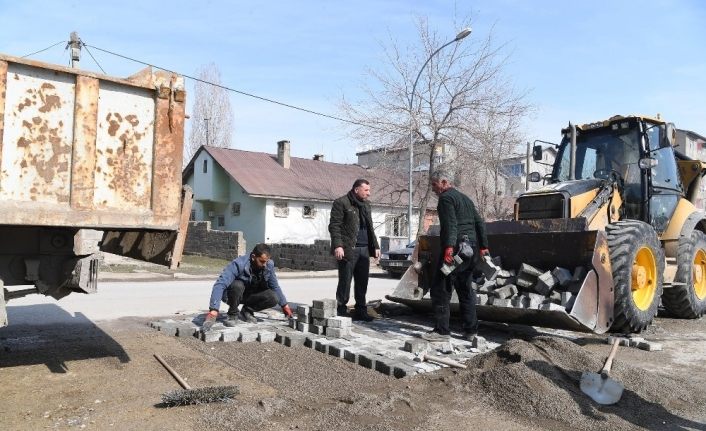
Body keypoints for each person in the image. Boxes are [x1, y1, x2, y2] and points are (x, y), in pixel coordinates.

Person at [422, 169, 489, 342]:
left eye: (434, 185)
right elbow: (479, 222)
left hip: (456, 250)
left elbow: (450, 224)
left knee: (440, 288)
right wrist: (483, 246)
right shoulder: (465, 199)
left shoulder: (446, 198)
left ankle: (442, 331)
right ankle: (471, 331)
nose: (433, 189)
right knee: (465, 289)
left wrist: (449, 248)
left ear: (444, 183)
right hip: (470, 251)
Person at [202, 243, 293, 331]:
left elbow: (275, 287)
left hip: (250, 295)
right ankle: (232, 314)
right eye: (261, 261)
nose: (265, 264)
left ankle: (246, 311)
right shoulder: (239, 264)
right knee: (238, 285)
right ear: (253, 257)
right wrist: (214, 310)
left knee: (273, 297)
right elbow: (220, 284)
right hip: (232, 294)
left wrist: (285, 306)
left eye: (267, 261)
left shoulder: (268, 265)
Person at [328, 178, 381, 321]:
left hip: (364, 249)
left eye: (369, 190)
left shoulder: (366, 205)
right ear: (356, 190)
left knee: (362, 282)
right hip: (348, 249)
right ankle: (341, 309)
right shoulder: (341, 202)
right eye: (366, 190)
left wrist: (375, 246)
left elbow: (370, 227)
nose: (369, 193)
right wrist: (338, 245)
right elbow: (334, 226)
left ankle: (361, 311)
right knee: (345, 280)